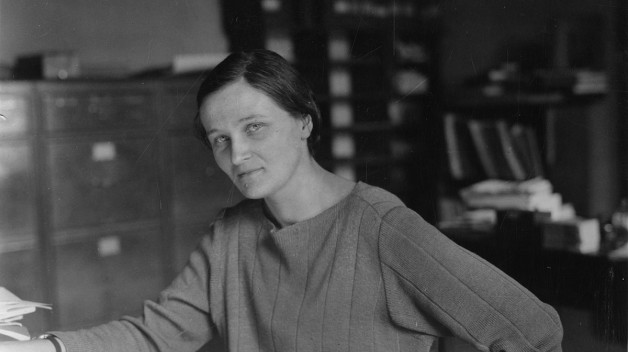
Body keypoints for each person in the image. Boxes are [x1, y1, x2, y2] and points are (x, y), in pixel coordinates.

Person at [0, 49, 563, 352]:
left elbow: (532, 331)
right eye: (219, 140)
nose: (236, 154)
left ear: (303, 123)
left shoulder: (382, 228)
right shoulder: (232, 234)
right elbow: (156, 335)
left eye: (254, 128)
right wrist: (44, 351)